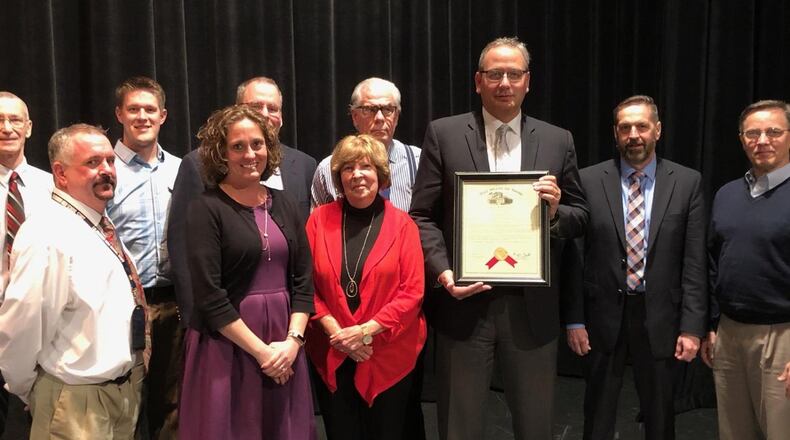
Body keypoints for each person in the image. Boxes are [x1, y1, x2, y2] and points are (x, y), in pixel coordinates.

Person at [409, 36, 589, 439]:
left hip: (533, 310)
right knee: (460, 426)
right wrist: (443, 272)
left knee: (535, 425)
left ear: (528, 81)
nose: (504, 82)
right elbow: (421, 216)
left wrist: (558, 210)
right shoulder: (445, 133)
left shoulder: (558, 139)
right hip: (464, 306)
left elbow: (581, 217)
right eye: (494, 74)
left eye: (513, 73)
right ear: (478, 81)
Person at [565, 95, 707, 440]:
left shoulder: (687, 182)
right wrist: (574, 318)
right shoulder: (588, 179)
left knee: (660, 417)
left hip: (660, 315)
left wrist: (692, 326)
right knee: (597, 414)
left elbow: (694, 260)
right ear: (615, 134)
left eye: (642, 126)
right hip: (602, 315)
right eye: (625, 127)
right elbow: (574, 255)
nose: (634, 134)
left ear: (657, 130)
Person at [0, 124, 148, 439]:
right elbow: (21, 329)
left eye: (109, 160)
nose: (107, 170)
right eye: (93, 162)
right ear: (61, 174)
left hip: (120, 396)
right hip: (74, 404)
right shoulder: (47, 232)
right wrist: (33, 391)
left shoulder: (96, 222)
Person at [178, 104, 315, 439]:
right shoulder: (205, 208)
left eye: (257, 144)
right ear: (221, 154)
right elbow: (210, 297)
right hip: (228, 347)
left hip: (285, 342)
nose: (250, 154)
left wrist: (292, 344)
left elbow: (303, 281)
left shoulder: (284, 203)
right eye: (237, 146)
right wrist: (263, 352)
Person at [168, 76, 316, 328]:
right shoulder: (197, 164)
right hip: (224, 319)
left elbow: (303, 256)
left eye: (273, 108)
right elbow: (182, 247)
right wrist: (195, 317)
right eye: (256, 107)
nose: (266, 114)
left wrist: (297, 329)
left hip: (288, 317)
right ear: (236, 110)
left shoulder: (305, 165)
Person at [305, 134, 426, 440]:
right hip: (332, 346)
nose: (357, 174)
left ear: (381, 175)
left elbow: (412, 292)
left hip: (387, 350)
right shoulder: (318, 221)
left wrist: (364, 332)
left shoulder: (403, 225)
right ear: (338, 176)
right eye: (348, 168)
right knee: (341, 431)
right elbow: (305, 285)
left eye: (366, 166)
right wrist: (338, 333)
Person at [702, 99, 790, 440]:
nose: (762, 140)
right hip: (729, 333)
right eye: (752, 133)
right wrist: (712, 325)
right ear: (741, 139)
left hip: (782, 336)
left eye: (773, 131)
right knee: (734, 432)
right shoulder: (727, 195)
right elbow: (712, 262)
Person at [105, 76, 182, 439]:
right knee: (126, 402)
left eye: (150, 109)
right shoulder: (103, 170)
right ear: (120, 113)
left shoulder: (183, 170)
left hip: (174, 302)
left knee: (173, 402)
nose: (142, 116)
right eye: (133, 109)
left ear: (163, 115)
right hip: (122, 306)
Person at [0, 91, 52, 439]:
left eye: (15, 120)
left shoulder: (53, 186)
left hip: (39, 324)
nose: (7, 128)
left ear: (29, 127)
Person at [311, 78, 420, 212]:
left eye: (388, 109)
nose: (379, 118)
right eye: (369, 109)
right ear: (354, 117)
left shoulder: (418, 162)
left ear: (396, 117)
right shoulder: (328, 169)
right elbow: (318, 226)